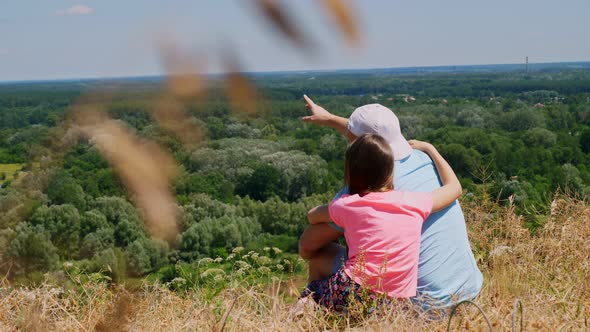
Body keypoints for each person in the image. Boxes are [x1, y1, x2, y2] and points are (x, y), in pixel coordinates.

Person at [299, 95, 483, 312]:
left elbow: (307, 246)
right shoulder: (424, 162)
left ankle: (318, 317)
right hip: (469, 294)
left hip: (420, 307)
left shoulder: (362, 193)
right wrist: (330, 119)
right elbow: (369, 142)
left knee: (321, 257)